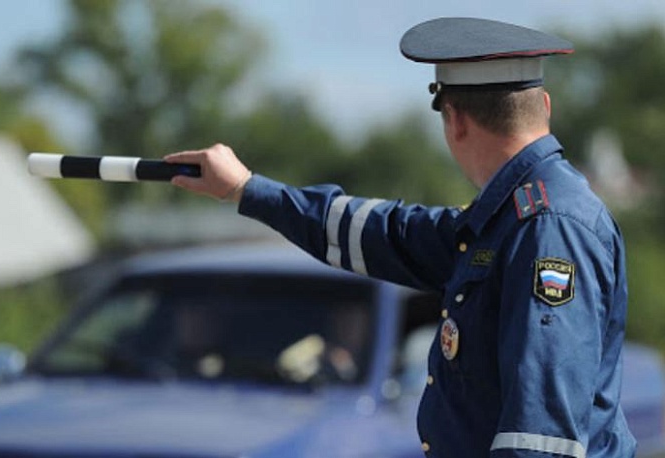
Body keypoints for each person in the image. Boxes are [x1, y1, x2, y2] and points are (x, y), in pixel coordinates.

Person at [164, 17, 635, 458]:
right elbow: (385, 232)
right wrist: (247, 189)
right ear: (544, 106)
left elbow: (541, 439)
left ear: (455, 120)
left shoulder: (546, 226)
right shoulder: (509, 218)